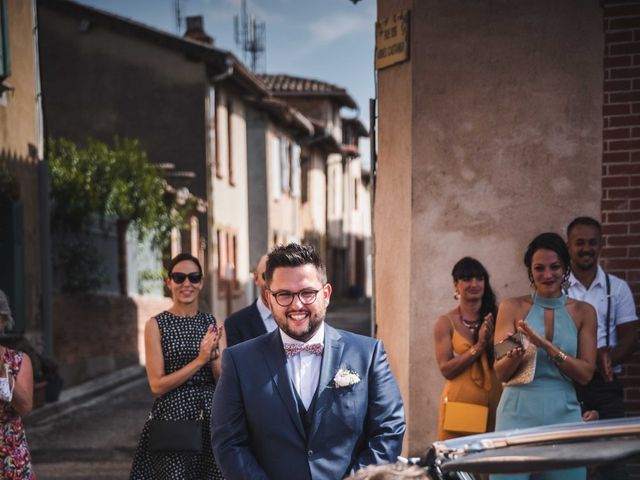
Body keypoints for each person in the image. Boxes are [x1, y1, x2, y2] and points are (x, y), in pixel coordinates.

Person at [211, 243, 405, 480]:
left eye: (307, 292)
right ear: (269, 299)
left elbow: (389, 430)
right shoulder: (239, 361)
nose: (297, 304)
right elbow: (229, 443)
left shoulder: (369, 354)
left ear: (326, 295)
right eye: (284, 294)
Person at [492, 233, 596, 480]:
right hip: (517, 409)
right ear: (530, 271)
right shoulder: (511, 307)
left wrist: (546, 346)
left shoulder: (584, 312)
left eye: (555, 267)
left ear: (566, 268)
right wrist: (516, 354)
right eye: (539, 268)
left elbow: (586, 374)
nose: (547, 275)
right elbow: (500, 371)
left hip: (564, 411)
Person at [130, 253, 224, 479]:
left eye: (193, 277)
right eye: (179, 277)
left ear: (201, 282)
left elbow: (223, 381)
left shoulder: (213, 323)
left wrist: (213, 358)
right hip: (173, 417)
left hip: (211, 417)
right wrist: (200, 360)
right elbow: (157, 385)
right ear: (169, 282)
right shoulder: (156, 325)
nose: (186, 284)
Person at [566, 216, 638, 479]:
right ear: (569, 246)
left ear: (601, 245)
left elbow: (630, 337)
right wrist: (580, 364)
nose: (586, 248)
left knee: (613, 461)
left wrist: (600, 362)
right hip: (568, 385)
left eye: (592, 243)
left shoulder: (617, 288)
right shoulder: (558, 290)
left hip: (605, 385)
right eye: (580, 243)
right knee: (568, 457)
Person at [434, 257, 502, 440]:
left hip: (495, 401)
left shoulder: (498, 317)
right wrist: (478, 347)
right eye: (467, 279)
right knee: (458, 463)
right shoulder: (445, 322)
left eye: (480, 278)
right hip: (461, 404)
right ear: (456, 285)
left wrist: (490, 342)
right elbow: (446, 369)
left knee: (491, 460)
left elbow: (509, 357)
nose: (474, 283)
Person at [0, 290, 36, 479]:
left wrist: (2, 370)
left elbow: (25, 406)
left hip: (11, 457)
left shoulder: (18, 361)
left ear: (2, 322)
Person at [224, 254, 276, 346]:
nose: (274, 283)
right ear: (256, 279)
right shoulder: (235, 324)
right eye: (267, 276)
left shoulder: (298, 317)